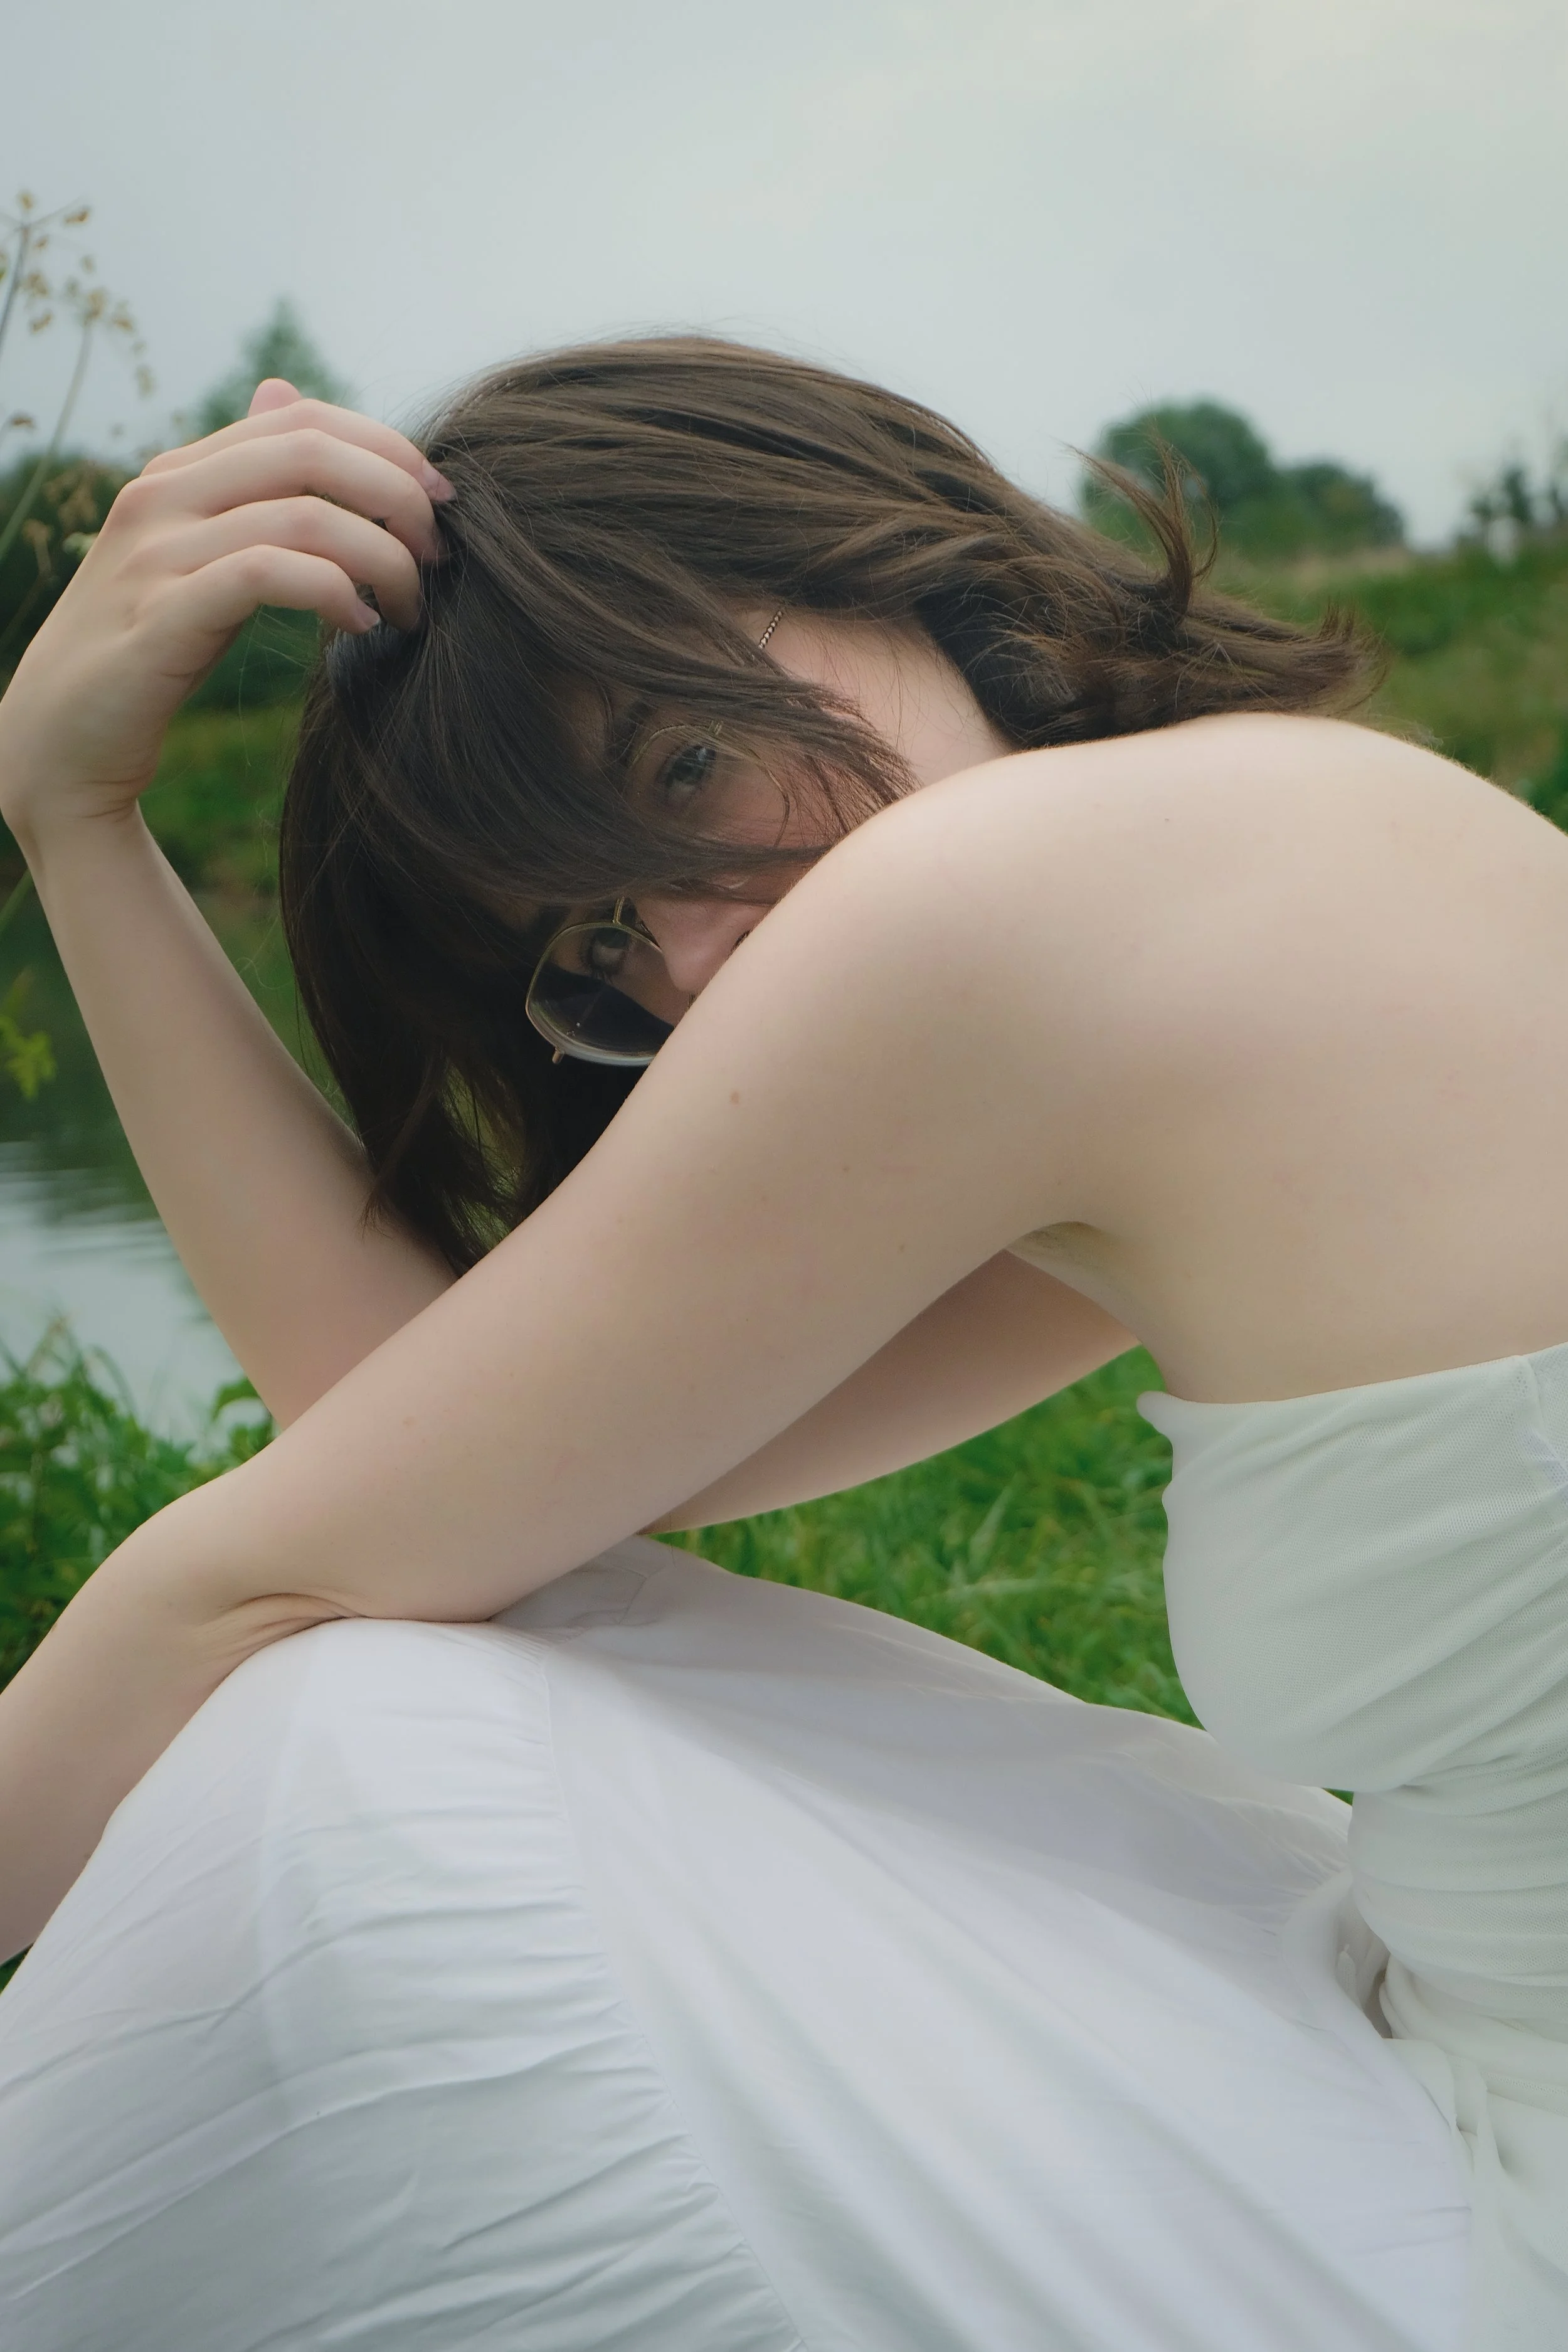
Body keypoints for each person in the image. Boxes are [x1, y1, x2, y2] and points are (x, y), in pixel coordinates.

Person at [0, 334, 1562, 2349]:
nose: (696, 957)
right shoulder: (1254, 866)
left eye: (681, 764)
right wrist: (84, 823)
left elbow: (260, 1566)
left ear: (868, 559)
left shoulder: (1005, 901)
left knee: (355, 1750)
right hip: (1479, 2071)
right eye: (594, 944)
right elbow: (447, 1482)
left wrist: (63, 804)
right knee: (451, 1656)